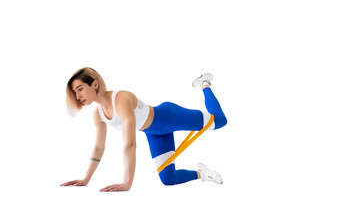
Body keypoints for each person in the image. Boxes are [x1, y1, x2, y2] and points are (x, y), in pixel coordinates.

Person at [60, 67, 227, 192]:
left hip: (168, 116)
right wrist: (86, 179)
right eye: (75, 92)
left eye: (80, 89)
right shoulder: (98, 114)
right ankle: (203, 174)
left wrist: (127, 182)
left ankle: (204, 84)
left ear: (94, 84)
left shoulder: (121, 99)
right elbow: (98, 147)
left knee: (220, 121)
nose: (77, 96)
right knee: (168, 179)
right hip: (155, 134)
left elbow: (130, 143)